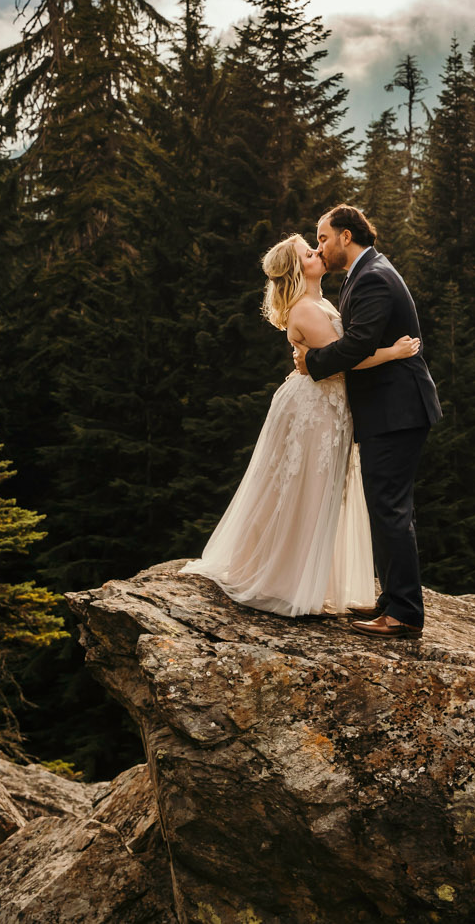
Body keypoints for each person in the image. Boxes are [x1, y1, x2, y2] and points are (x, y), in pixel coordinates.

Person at [183, 234, 421, 617]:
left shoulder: (321, 302)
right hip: (314, 410)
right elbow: (346, 358)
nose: (318, 253)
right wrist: (393, 352)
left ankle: (306, 579)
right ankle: (286, 581)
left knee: (315, 489)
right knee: (305, 489)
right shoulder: (307, 309)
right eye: (309, 253)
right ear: (297, 269)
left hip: (328, 405)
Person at [295, 204, 441, 640]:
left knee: (390, 509)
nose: (319, 245)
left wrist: (311, 361)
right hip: (392, 410)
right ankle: (394, 600)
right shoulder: (368, 271)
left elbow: (358, 343)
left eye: (322, 237)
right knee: (388, 507)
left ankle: (404, 614)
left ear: (345, 236)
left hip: (397, 411)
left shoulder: (373, 276)